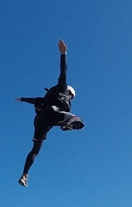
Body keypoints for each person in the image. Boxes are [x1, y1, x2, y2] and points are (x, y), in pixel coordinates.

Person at [16, 39, 84, 187]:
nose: (70, 98)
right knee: (75, 118)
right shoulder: (62, 89)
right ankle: (67, 124)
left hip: (41, 121)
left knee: (35, 149)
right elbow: (63, 71)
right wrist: (63, 54)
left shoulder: (48, 96)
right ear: (69, 92)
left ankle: (25, 175)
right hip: (53, 114)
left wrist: (22, 99)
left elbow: (35, 100)